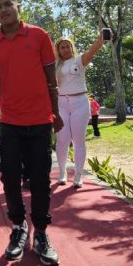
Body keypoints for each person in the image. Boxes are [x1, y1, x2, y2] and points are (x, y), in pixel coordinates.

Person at [0, 0, 62, 266]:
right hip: (10, 122)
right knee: (9, 177)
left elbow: (51, 79)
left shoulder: (39, 35)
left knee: (40, 179)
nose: (3, 10)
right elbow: (1, 78)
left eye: (8, 4)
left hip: (40, 120)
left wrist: (56, 112)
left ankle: (40, 232)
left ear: (18, 6)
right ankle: (18, 228)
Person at [54, 33, 106, 188]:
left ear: (72, 48)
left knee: (79, 140)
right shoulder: (55, 65)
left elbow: (93, 50)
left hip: (80, 103)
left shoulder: (80, 60)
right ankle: (62, 172)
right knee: (62, 140)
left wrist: (101, 39)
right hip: (61, 104)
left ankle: (78, 175)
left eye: (67, 46)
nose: (65, 49)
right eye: (62, 47)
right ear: (58, 50)